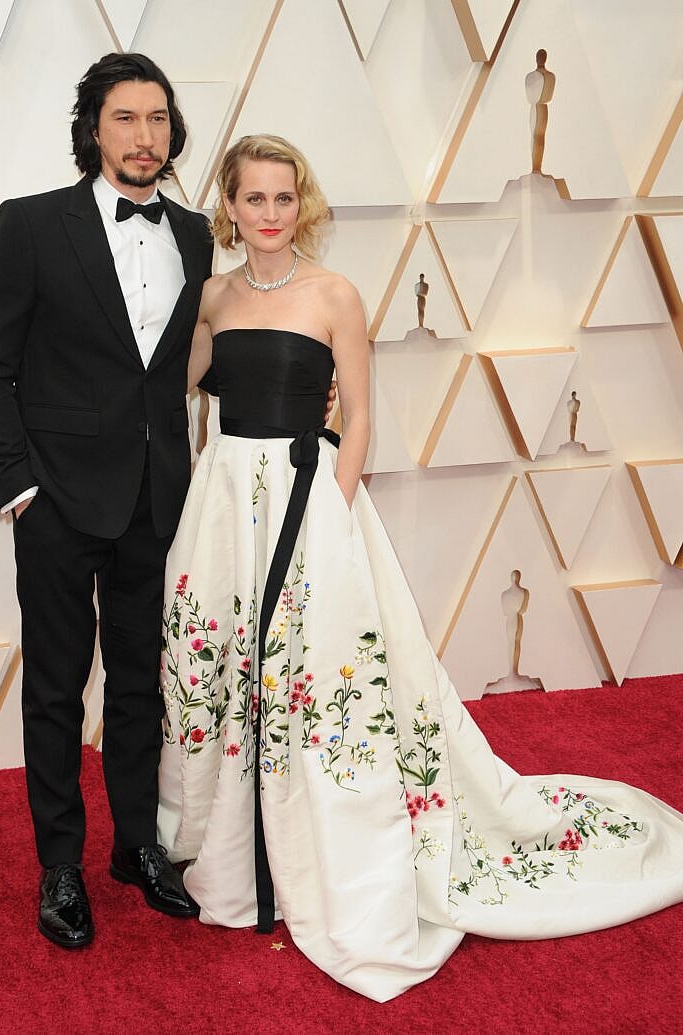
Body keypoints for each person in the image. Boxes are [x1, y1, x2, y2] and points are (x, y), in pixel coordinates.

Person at [156, 134, 683, 1002]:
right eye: (254, 199)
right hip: (222, 509)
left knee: (317, 682)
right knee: (224, 673)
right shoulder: (213, 295)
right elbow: (179, 384)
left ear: (304, 203)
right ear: (231, 206)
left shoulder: (335, 294)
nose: (270, 215)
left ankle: (327, 848)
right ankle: (237, 852)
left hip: (309, 502)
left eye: (284, 199)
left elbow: (358, 417)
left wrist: (329, 507)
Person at [0, 53, 213, 949]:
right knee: (57, 689)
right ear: (93, 128)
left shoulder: (194, 235)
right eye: (125, 118)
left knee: (145, 684)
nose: (144, 136)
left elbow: (183, 364)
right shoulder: (30, 225)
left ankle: (137, 846)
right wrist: (19, 484)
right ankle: (60, 865)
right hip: (59, 500)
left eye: (157, 118)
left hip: (156, 498)